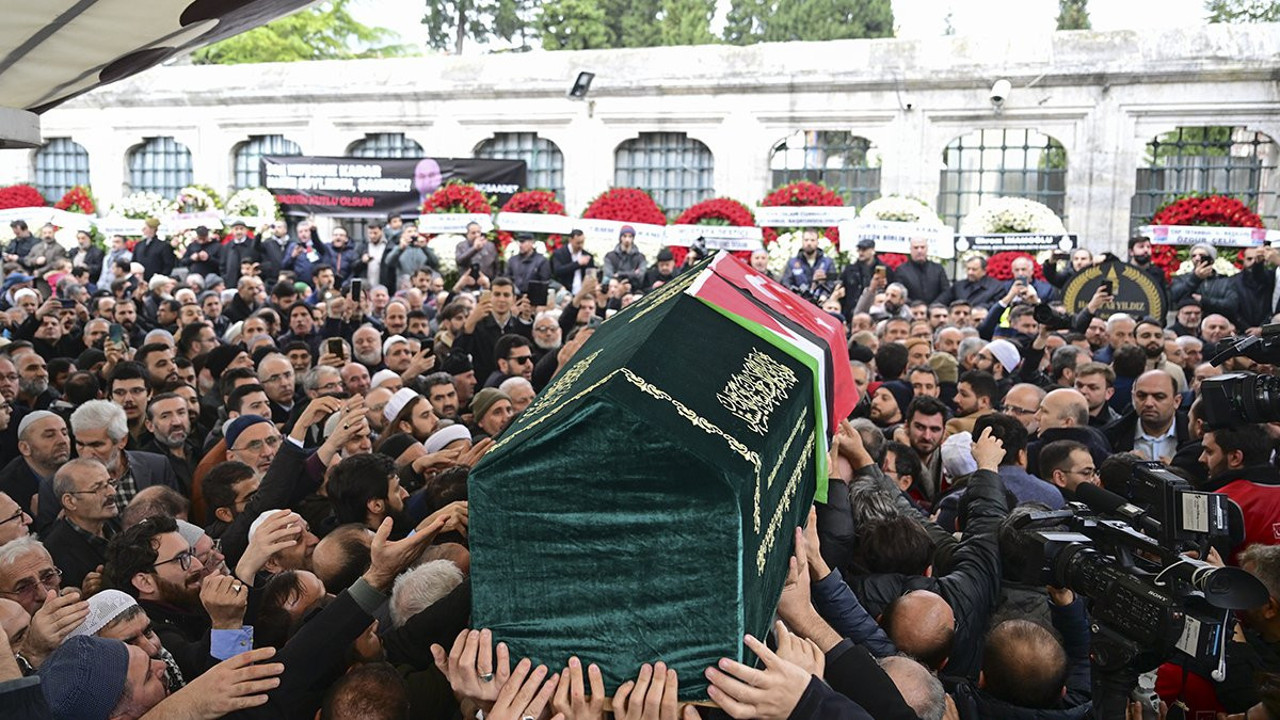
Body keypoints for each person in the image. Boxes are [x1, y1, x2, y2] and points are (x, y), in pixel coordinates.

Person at [892, 237, 949, 305]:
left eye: (922, 247)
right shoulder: (901, 270)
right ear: (910, 250)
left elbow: (946, 292)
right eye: (916, 248)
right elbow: (900, 293)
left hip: (935, 309)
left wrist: (934, 306)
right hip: (911, 309)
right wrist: (917, 307)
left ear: (927, 249)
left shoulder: (938, 269)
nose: (919, 251)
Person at [783, 228, 836, 296]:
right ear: (802, 242)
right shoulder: (792, 263)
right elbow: (786, 283)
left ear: (817, 242)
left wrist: (824, 295)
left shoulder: (828, 262)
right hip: (798, 299)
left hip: (821, 300)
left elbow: (832, 283)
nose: (809, 243)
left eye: (812, 240)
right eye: (806, 240)